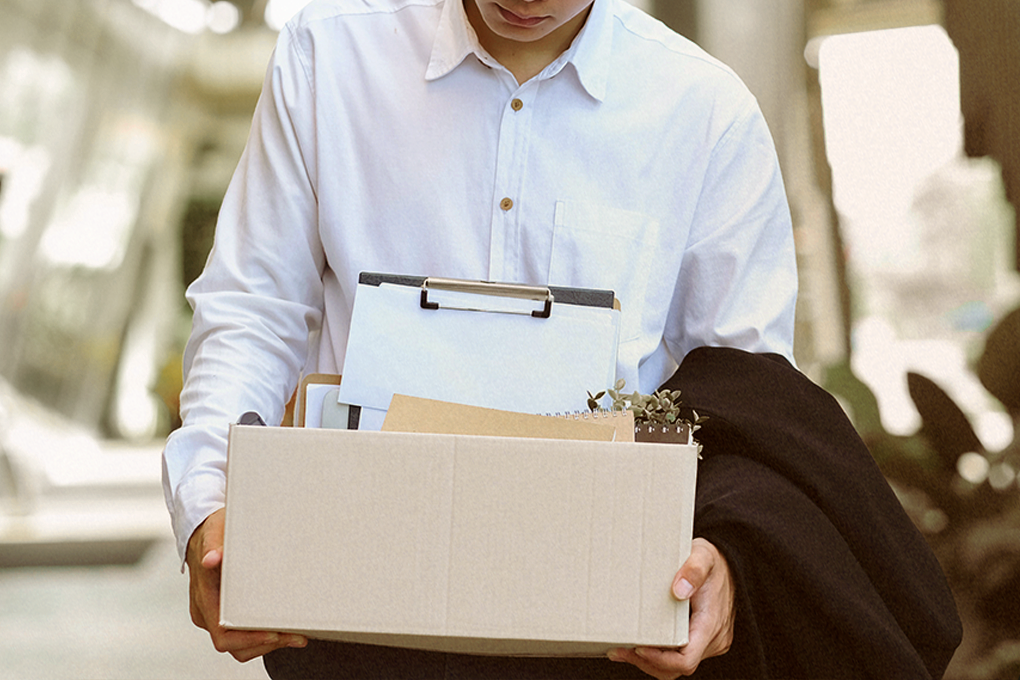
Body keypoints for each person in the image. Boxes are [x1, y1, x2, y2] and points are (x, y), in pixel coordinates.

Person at [164, 0, 958, 678]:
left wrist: (724, 562)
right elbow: (251, 310)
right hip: (351, 613)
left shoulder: (702, 111)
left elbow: (750, 401)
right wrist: (210, 510)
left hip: (600, 625)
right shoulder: (328, 60)